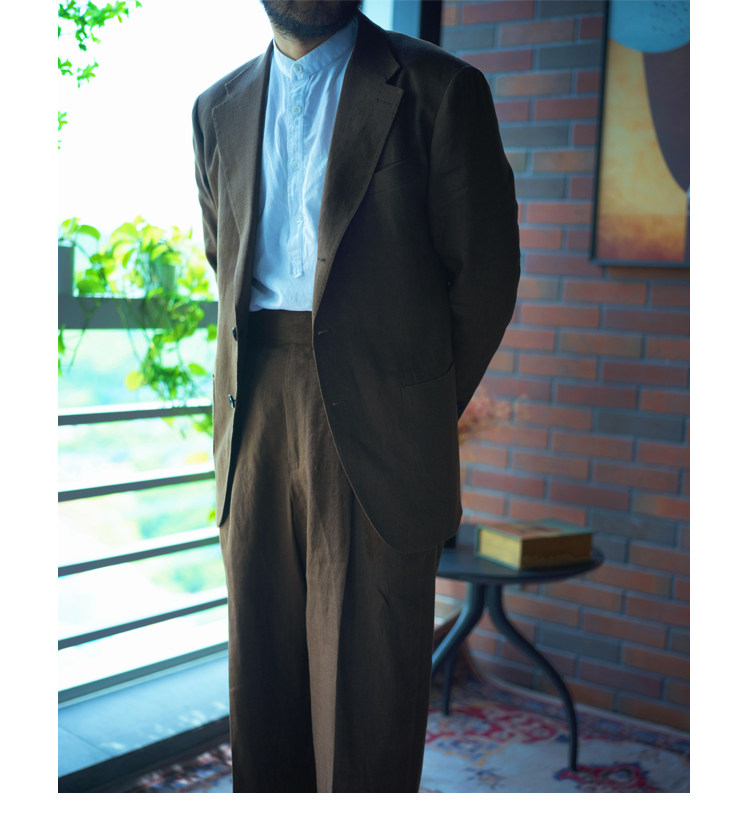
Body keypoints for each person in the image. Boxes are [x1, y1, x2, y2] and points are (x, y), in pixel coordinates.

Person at [191, 0, 519, 793]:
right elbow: (221, 255)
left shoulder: (443, 89)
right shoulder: (214, 109)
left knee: (367, 694)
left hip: (381, 424)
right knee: (262, 683)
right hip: (255, 410)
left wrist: (413, 409)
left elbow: (485, 277)